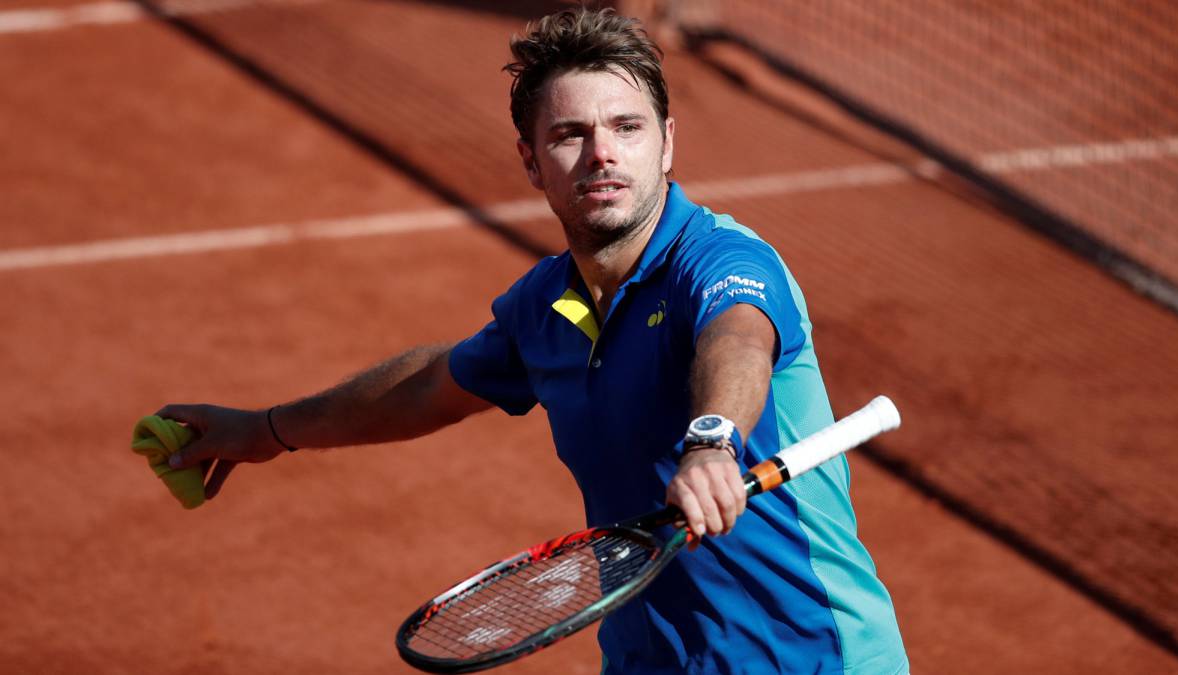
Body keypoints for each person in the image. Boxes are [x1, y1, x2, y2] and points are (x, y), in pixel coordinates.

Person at [158, 8, 908, 674]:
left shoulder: (721, 261)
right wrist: (266, 429)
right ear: (530, 161)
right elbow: (428, 388)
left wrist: (713, 440)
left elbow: (737, 337)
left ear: (666, 144)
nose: (602, 153)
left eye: (627, 127)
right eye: (570, 134)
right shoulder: (544, 308)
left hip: (815, 657)